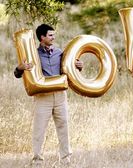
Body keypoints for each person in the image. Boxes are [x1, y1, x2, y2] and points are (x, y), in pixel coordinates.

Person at [14, 24, 83, 167]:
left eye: (53, 35)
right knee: (39, 130)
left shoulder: (59, 53)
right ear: (42, 37)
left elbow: (70, 72)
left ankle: (66, 160)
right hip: (42, 98)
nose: (53, 37)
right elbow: (17, 74)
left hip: (60, 97)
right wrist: (20, 68)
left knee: (63, 127)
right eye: (50, 35)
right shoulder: (33, 55)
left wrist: (79, 67)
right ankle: (37, 161)